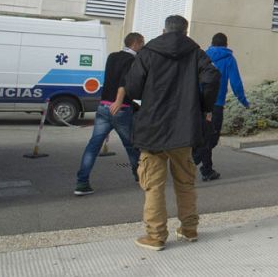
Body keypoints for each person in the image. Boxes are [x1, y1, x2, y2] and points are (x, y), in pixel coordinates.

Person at [124, 15, 220, 252]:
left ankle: (156, 236)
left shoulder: (148, 52)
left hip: (153, 128)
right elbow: (212, 77)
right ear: (186, 32)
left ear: (163, 30)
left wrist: (146, 96)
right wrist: (204, 106)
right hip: (183, 128)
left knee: (153, 184)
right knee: (185, 182)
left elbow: (133, 88)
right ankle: (189, 229)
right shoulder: (195, 52)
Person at [74, 32, 145, 196]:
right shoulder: (132, 60)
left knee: (93, 146)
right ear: (136, 43)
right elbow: (124, 82)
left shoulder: (112, 57)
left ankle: (82, 182)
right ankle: (140, 176)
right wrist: (119, 101)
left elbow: (112, 79)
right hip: (120, 108)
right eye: (142, 43)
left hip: (103, 106)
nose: (143, 46)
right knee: (131, 145)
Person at [193, 32, 250, 181]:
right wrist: (244, 101)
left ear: (212, 43)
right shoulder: (229, 59)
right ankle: (195, 162)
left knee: (204, 136)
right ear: (226, 44)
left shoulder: (202, 56)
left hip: (199, 103)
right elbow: (236, 83)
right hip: (216, 105)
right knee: (211, 138)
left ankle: (206, 169)